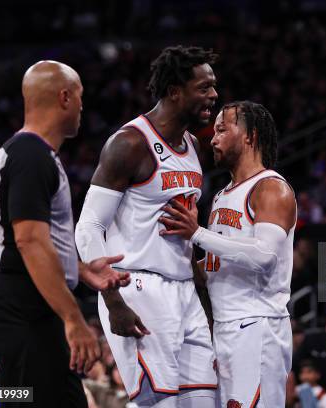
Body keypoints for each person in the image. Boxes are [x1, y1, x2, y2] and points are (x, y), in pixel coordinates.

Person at [0, 60, 130, 408]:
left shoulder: (26, 153)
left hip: (20, 304)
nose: (82, 106)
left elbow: (31, 240)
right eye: (80, 96)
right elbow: (29, 241)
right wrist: (73, 318)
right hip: (24, 307)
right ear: (64, 97)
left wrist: (77, 269)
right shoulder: (31, 156)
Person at [75, 46, 219, 408]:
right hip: (138, 287)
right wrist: (112, 300)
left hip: (183, 290)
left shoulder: (191, 145)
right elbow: (89, 226)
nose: (214, 96)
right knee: (160, 404)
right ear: (174, 91)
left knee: (205, 401)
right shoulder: (130, 143)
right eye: (203, 87)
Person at [159, 101, 296, 407]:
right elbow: (213, 270)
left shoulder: (271, 188)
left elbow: (264, 257)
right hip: (223, 327)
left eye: (222, 129)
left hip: (257, 327)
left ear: (250, 136)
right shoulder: (222, 195)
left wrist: (196, 234)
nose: (213, 138)